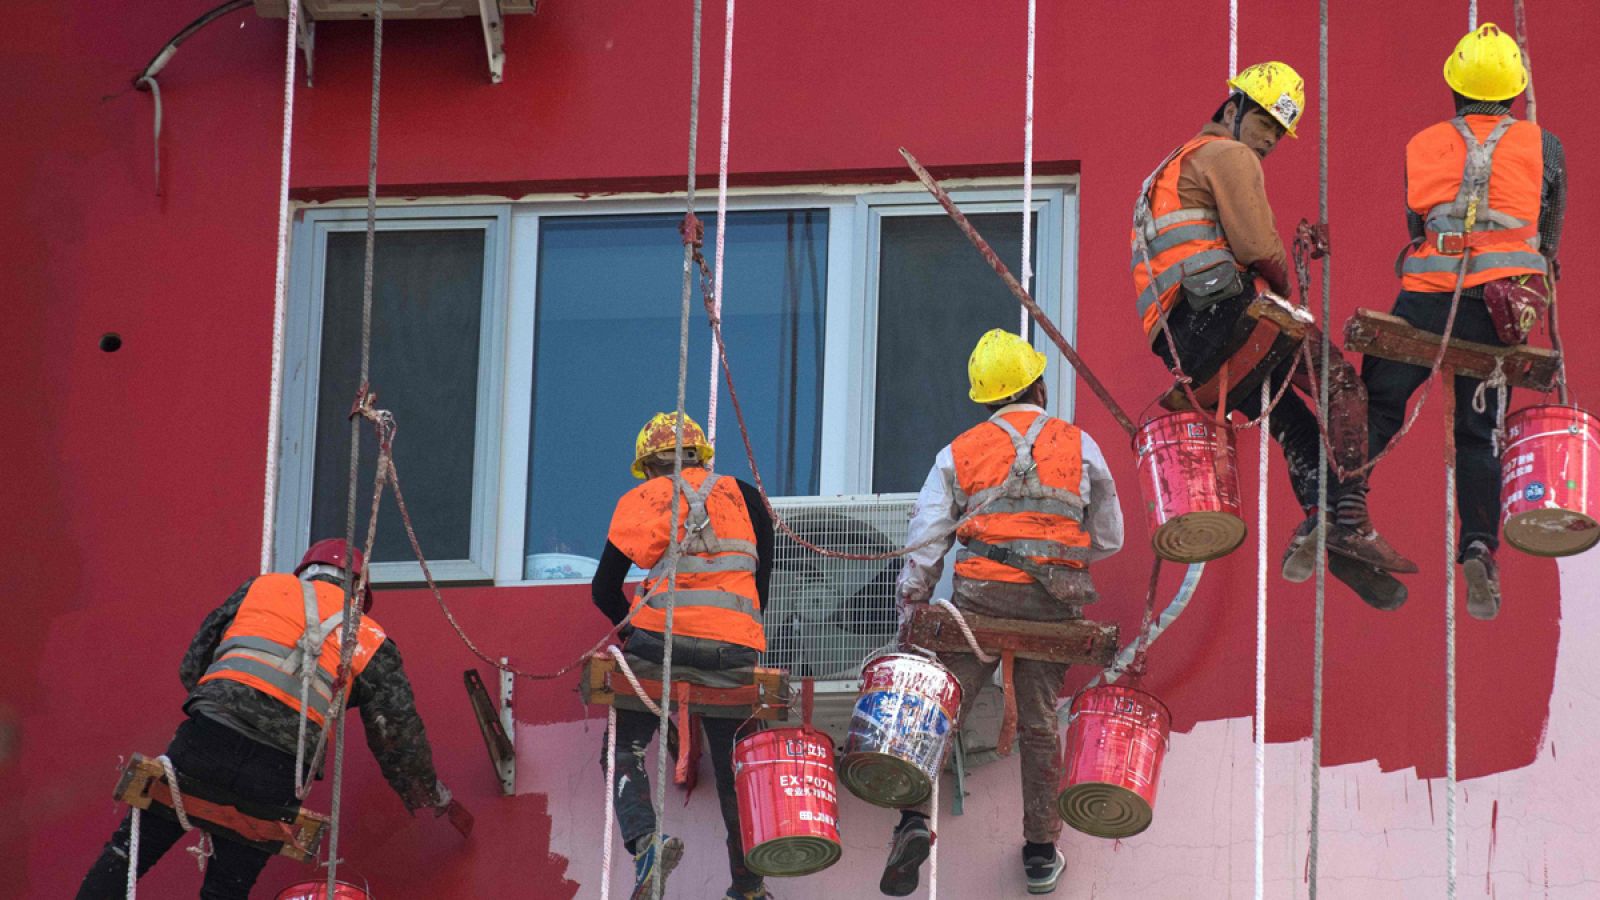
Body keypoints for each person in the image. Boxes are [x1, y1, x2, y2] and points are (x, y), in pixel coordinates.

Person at [1131, 60, 1417, 609]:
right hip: (1228, 312)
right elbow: (1257, 245)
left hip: (1184, 347)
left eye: (1277, 134)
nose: (1267, 141)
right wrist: (1285, 285)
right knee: (1345, 387)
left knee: (1292, 423)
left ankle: (1318, 523)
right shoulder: (1226, 154)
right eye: (1263, 123)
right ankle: (1351, 522)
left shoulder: (1167, 173)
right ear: (1233, 107)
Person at [882, 329, 1123, 896]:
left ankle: (914, 819)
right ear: (1039, 386)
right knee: (1041, 724)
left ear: (986, 399)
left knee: (942, 710)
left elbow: (927, 538)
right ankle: (1041, 852)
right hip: (1052, 605)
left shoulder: (959, 451)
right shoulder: (1079, 444)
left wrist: (911, 599)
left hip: (979, 605)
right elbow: (1109, 537)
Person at [77, 540, 454, 899]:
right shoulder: (369, 636)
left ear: (305, 573)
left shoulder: (261, 589)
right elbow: (397, 738)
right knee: (227, 891)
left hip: (208, 738)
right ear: (359, 594)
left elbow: (194, 665)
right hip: (278, 770)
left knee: (126, 854)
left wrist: (231, 699)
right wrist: (425, 792)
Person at [1365, 23, 1566, 620]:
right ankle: (1479, 543)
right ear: (1514, 91)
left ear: (1454, 87)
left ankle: (1343, 508)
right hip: (1499, 312)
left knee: (1380, 402)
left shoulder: (1423, 143)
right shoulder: (1544, 144)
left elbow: (1415, 224)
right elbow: (1549, 232)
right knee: (1480, 435)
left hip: (1429, 297)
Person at [591, 411, 776, 900]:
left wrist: (633, 638)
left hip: (660, 638)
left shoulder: (643, 497)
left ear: (649, 466)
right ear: (701, 456)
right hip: (733, 646)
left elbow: (604, 589)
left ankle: (647, 843)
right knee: (739, 771)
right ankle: (749, 889)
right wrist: (737, 632)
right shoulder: (746, 496)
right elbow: (762, 580)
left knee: (622, 750)